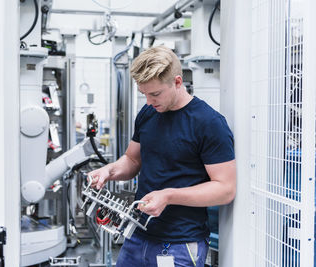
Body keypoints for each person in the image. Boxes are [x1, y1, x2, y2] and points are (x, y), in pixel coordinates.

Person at [88, 45, 236, 267]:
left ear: (177, 82)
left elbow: (225, 189)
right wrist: (109, 171)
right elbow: (132, 160)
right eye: (144, 94)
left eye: (155, 94)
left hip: (180, 244)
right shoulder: (149, 113)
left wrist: (168, 196)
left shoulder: (209, 123)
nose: (148, 101)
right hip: (136, 234)